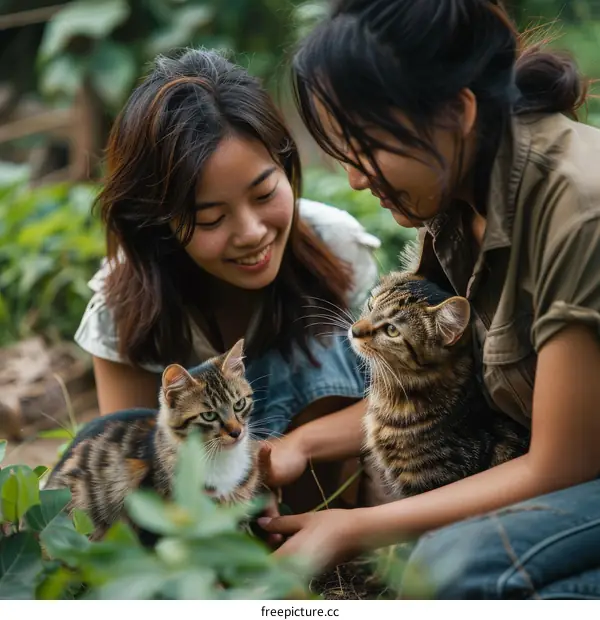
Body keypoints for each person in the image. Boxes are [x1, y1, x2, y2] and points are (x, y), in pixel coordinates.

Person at [257, 0, 600, 599]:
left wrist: (352, 528)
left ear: (456, 112)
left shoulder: (577, 208)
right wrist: (300, 444)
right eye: (344, 153)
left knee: (450, 569)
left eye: (366, 148)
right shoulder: (458, 195)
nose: (358, 179)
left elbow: (562, 465)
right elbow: (439, 397)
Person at [73, 47, 382, 513]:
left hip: (328, 514)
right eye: (212, 219)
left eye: (264, 193)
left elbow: (404, 402)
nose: (252, 233)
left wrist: (298, 445)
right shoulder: (125, 304)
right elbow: (127, 461)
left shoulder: (336, 247)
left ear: (285, 165)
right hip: (203, 528)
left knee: (329, 340)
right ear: (162, 222)